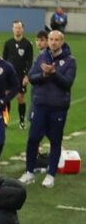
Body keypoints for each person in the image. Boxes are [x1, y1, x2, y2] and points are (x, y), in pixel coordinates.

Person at [21, 29, 77, 188]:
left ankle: (51, 174)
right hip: (40, 106)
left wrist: (53, 73)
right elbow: (32, 77)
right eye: (51, 39)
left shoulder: (70, 61)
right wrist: (44, 76)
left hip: (58, 107)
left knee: (55, 141)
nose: (53, 42)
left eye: (56, 40)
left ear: (62, 42)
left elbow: (67, 83)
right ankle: (29, 172)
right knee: (33, 139)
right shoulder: (41, 57)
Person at [3, 20, 34, 130]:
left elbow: (30, 61)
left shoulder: (27, 44)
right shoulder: (8, 43)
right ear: (12, 29)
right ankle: (5, 121)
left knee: (20, 97)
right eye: (16, 28)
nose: (17, 30)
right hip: (9, 75)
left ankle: (21, 121)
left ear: (23, 29)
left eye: (19, 28)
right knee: (6, 97)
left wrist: (27, 76)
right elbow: (4, 60)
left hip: (21, 75)